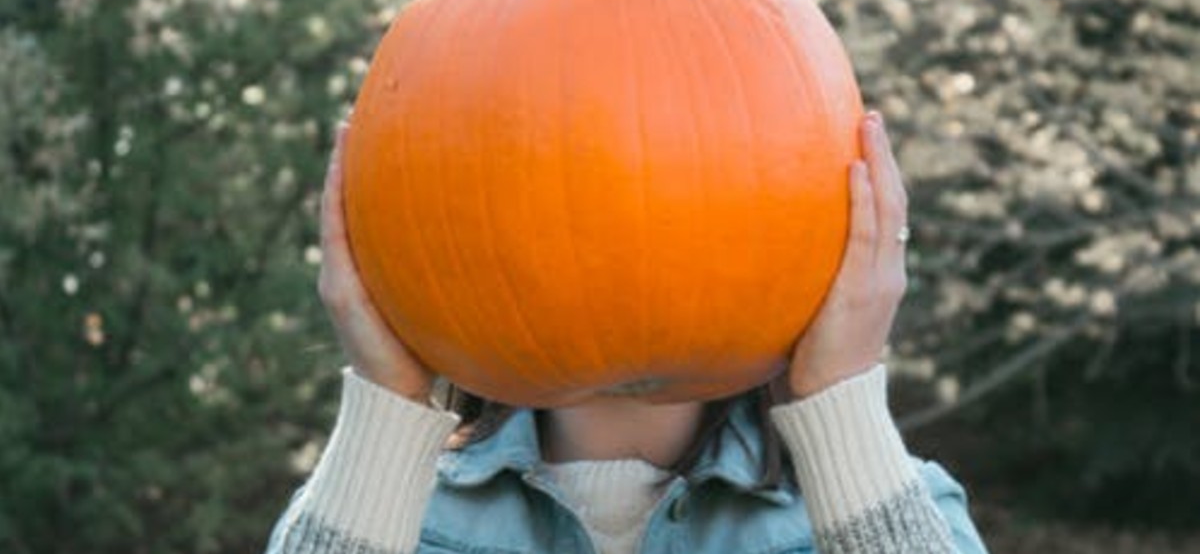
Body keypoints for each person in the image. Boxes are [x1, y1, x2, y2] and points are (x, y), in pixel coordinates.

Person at [265, 111, 988, 554]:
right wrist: (390, 396)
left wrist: (839, 390)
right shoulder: (379, 514)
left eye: (679, 184)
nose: (622, 229)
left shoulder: (892, 504)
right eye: (563, 189)